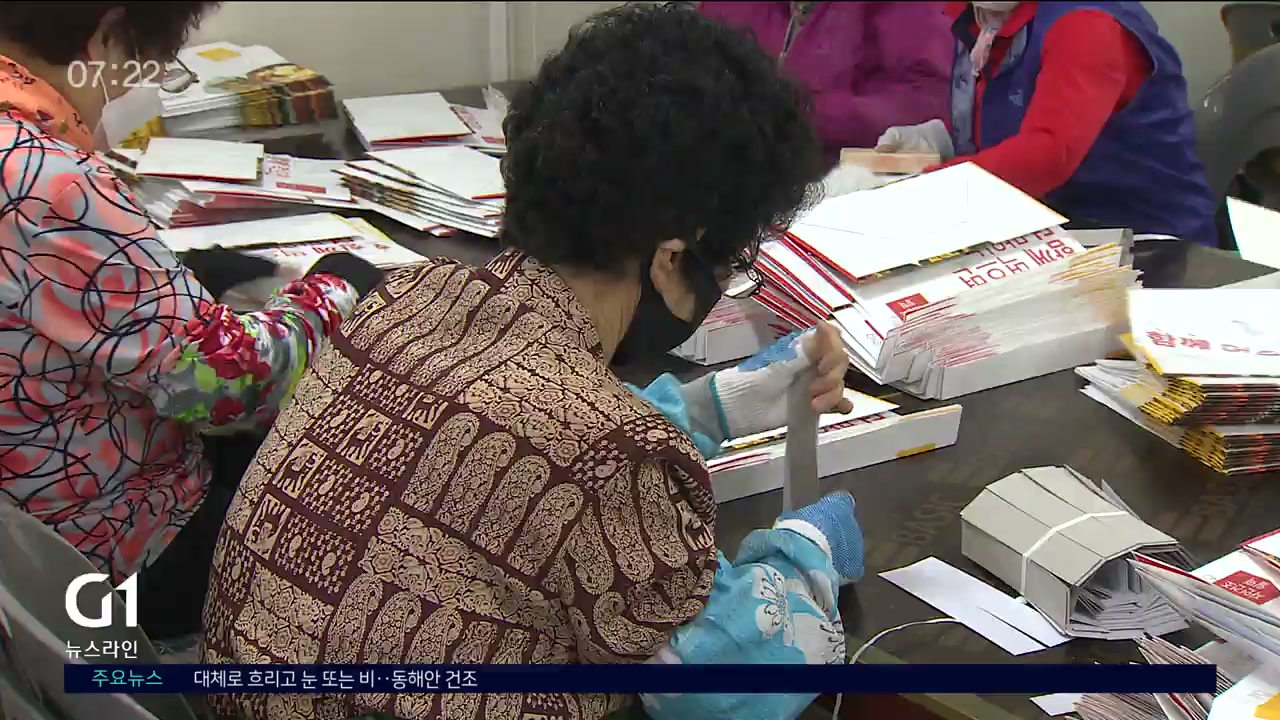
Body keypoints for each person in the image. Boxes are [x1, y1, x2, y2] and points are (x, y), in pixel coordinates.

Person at [202, 5, 862, 720]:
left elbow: (510, 444)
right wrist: (810, 551)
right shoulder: (608, 450)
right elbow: (728, 681)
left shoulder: (405, 301)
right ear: (674, 256)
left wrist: (713, 407)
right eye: (728, 268)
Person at [0, 1, 383, 640]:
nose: (135, 88)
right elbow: (230, 385)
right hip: (108, 550)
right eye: (146, 64)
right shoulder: (47, 181)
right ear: (106, 36)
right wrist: (341, 286)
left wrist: (174, 278)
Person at [875, 1, 1219, 246]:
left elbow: (1047, 154)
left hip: (1148, 248)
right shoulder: (988, 19)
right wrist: (945, 143)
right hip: (1058, 232)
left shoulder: (1086, 25)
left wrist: (921, 190)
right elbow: (1016, 116)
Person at [698, 1, 953, 162]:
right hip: (729, 174)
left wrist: (798, 114)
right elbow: (696, 69)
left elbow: (927, 99)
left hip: (847, 185)